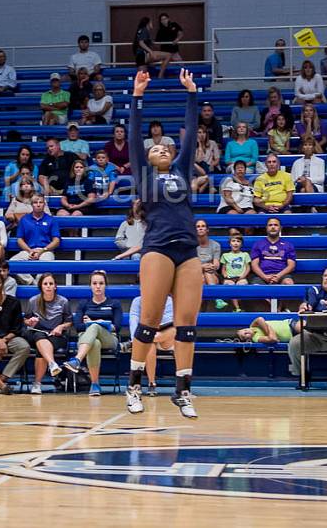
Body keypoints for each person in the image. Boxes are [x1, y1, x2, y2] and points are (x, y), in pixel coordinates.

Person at [126, 67, 201, 418]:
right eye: (155, 148)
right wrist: (137, 97)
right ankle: (135, 386)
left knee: (187, 323)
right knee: (150, 321)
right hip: (157, 248)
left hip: (188, 250)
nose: (160, 148)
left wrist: (191, 94)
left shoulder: (183, 172)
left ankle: (183, 391)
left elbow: (191, 136)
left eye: (164, 147)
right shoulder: (143, 176)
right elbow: (133, 137)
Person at [62, 271, 122, 396]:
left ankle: (77, 360)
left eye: (101, 283)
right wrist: (99, 323)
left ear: (106, 285)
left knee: (94, 326)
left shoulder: (114, 303)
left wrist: (96, 323)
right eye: (95, 283)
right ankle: (95, 384)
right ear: (90, 286)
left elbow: (117, 327)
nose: (98, 286)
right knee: (94, 343)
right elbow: (78, 327)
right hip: (87, 339)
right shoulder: (84, 304)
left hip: (109, 339)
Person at [22, 273, 73, 394]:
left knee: (41, 349)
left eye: (51, 284)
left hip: (56, 335)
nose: (48, 286)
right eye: (45, 284)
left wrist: (61, 327)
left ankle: (37, 383)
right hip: (37, 332)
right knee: (39, 336)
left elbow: (69, 322)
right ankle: (52, 363)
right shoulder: (33, 301)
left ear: (55, 286)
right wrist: (30, 322)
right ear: (41, 286)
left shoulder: (63, 301)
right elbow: (26, 320)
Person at [128, 294, 174, 397]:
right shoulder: (137, 301)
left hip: (165, 338)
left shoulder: (169, 300)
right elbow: (133, 321)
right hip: (147, 336)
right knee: (149, 343)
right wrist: (134, 339)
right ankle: (152, 383)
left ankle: (138, 341)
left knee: (174, 330)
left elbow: (169, 321)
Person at [10, 195, 60, 285]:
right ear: (31, 205)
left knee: (47, 263)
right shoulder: (24, 220)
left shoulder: (51, 220)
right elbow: (20, 239)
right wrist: (29, 250)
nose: (38, 205)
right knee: (12, 263)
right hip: (28, 250)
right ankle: (32, 283)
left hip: (46, 250)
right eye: (35, 203)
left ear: (44, 204)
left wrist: (42, 250)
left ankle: (39, 284)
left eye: (40, 202)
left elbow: (56, 240)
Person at [250, 218, 296, 285]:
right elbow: (254, 265)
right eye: (270, 225)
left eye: (276, 225)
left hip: (282, 275)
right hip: (262, 275)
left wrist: (278, 276)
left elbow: (291, 265)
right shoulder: (258, 244)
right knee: (256, 287)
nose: (273, 227)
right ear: (266, 228)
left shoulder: (288, 245)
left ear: (280, 228)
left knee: (288, 282)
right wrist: (264, 277)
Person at [192, 125, 220, 192]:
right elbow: (198, 160)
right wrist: (199, 145)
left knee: (205, 167)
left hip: (211, 167)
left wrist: (212, 164)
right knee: (201, 165)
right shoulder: (192, 146)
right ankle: (208, 187)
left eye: (204, 132)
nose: (202, 135)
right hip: (199, 169)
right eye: (199, 132)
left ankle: (200, 190)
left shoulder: (212, 143)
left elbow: (217, 159)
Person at [195, 219, 221, 285]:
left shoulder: (215, 245)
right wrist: (202, 267)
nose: (200, 228)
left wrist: (210, 266)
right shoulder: (191, 245)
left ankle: (213, 294)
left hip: (212, 273)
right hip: (196, 273)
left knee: (208, 273)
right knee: (201, 278)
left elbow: (216, 265)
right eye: (198, 226)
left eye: (203, 226)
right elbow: (190, 266)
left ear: (207, 229)